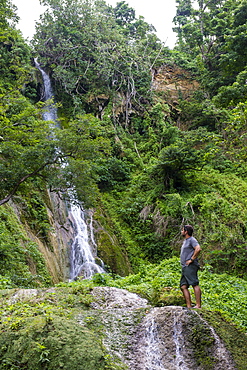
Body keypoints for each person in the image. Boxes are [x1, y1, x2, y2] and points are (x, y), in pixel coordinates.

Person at [180, 224, 202, 308]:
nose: (181, 232)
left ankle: (198, 305)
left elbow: (198, 249)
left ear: (186, 232)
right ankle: (189, 306)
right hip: (185, 267)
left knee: (194, 284)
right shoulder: (186, 240)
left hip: (190, 266)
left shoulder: (192, 240)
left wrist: (191, 259)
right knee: (183, 286)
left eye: (182, 230)